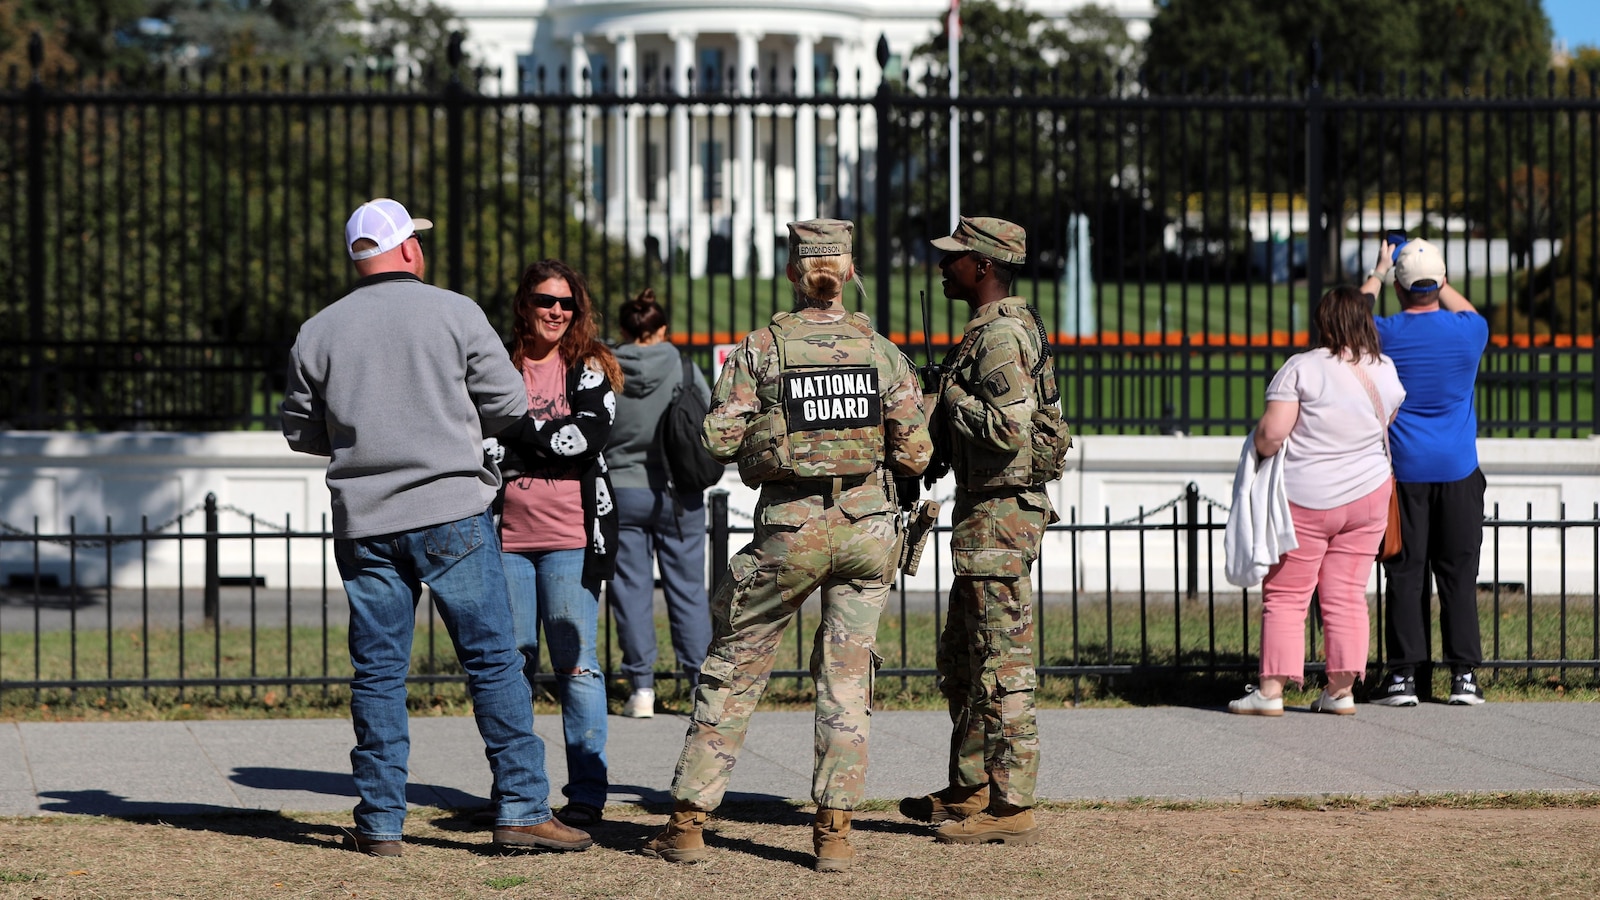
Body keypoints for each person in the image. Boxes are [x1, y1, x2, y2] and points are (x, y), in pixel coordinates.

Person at [279, 198, 590, 856]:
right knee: (493, 663)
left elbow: (302, 432)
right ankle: (522, 807)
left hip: (365, 522)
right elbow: (507, 403)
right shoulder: (454, 312)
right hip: (450, 511)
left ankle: (382, 822)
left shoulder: (319, 330)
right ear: (409, 251)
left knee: (379, 672)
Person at [642, 218, 931, 872]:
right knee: (847, 678)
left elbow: (715, 442)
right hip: (866, 529)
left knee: (737, 665)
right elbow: (916, 452)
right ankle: (834, 833)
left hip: (790, 531)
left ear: (794, 274)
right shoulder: (880, 352)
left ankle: (687, 823)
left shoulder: (761, 350)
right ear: (848, 274)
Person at [900, 216, 1061, 847]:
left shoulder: (999, 338)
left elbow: (1007, 430)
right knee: (965, 659)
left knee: (1002, 661)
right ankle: (970, 788)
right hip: (982, 514)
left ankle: (1013, 801)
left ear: (985, 266)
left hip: (1000, 516)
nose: (944, 267)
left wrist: (948, 398)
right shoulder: (987, 332)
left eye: (955, 259)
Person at [1226, 285, 1405, 717]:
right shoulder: (1384, 369)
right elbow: (1387, 420)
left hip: (1308, 496)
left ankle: (1270, 691)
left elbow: (1272, 433)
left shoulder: (1302, 368)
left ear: (1324, 321)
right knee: (1346, 594)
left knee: (1287, 594)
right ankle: (1340, 692)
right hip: (1369, 494)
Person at [488, 258, 623, 828]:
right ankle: (519, 793)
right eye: (546, 300)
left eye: (567, 303)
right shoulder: (496, 362)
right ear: (525, 303)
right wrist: (537, 441)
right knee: (511, 665)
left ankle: (587, 795)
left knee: (577, 666)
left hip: (573, 537)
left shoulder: (590, 366)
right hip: (505, 539)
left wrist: (517, 435)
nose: (556, 312)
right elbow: (476, 441)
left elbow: (582, 438)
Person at [1361, 237, 1490, 706]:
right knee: (1458, 572)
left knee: (1405, 571)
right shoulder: (1469, 332)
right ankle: (1464, 677)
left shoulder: (1385, 332)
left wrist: (1378, 270)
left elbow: (1350, 318)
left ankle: (1404, 676)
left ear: (1398, 287)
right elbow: (1470, 311)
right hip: (1459, 468)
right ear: (1439, 282)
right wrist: (1440, 280)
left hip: (1406, 471)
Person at [602, 288, 714, 719]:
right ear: (662, 329)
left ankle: (641, 689)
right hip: (678, 492)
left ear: (624, 330)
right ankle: (696, 684)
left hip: (622, 490)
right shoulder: (683, 365)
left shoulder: (607, 366)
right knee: (687, 591)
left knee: (629, 590)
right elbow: (706, 416)